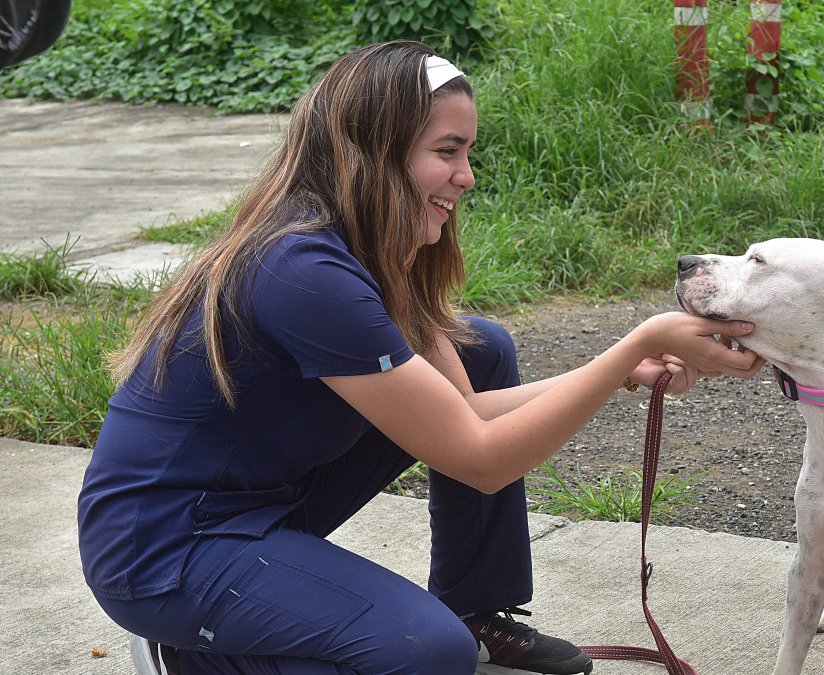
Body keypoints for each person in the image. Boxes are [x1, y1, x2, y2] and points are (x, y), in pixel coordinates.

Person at [77, 41, 762, 675]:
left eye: (468, 153)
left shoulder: (366, 249)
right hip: (166, 549)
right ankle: (192, 653)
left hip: (258, 508)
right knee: (427, 652)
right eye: (448, 151)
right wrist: (637, 343)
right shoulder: (300, 268)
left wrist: (619, 372)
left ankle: (475, 606)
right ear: (375, 152)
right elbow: (481, 454)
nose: (466, 176)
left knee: (481, 346)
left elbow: (462, 413)